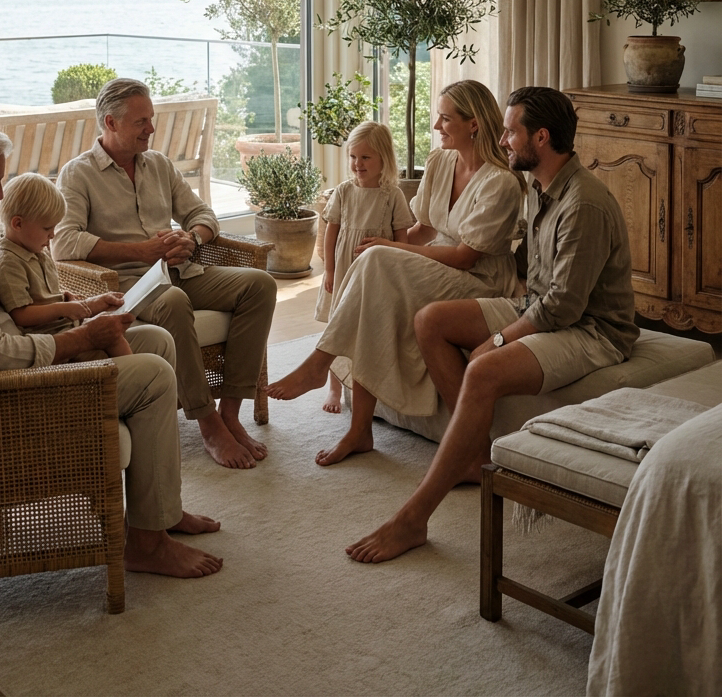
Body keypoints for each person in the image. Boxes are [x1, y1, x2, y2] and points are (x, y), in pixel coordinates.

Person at [0, 119, 223, 580]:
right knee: (155, 377)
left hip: (7, 369)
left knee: (155, 339)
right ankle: (146, 543)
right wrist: (78, 338)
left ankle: (161, 512)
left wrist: (74, 319)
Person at [345, 86, 638, 564]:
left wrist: (496, 341)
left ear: (540, 137)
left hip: (593, 330)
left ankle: (414, 517)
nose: (502, 141)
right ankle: (474, 454)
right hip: (536, 302)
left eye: (509, 131)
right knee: (431, 321)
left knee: (482, 369)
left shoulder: (582, 202)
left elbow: (563, 308)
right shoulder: (544, 187)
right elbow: (537, 287)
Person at [268, 80, 526, 466]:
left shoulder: (501, 182)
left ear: (473, 124)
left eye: (445, 118)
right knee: (378, 284)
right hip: (440, 264)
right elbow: (422, 229)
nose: (436, 125)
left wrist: (390, 249)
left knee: (378, 261)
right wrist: (395, 251)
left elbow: (465, 257)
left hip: (481, 280)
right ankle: (360, 431)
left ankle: (320, 365)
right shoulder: (441, 163)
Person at [52, 77, 277, 470]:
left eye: (150, 119)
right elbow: (64, 242)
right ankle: (207, 422)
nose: (151, 129)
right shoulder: (78, 174)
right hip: (129, 286)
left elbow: (202, 214)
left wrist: (191, 238)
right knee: (173, 301)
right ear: (110, 122)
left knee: (259, 284)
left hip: (182, 272)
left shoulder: (158, 164)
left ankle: (230, 413)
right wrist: (140, 251)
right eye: (141, 122)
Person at [315, 121, 414, 413]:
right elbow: (331, 231)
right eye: (353, 157)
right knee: (337, 326)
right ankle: (334, 388)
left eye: (366, 157)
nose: (357, 164)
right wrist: (329, 270)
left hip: (376, 273)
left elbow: (402, 239)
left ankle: (362, 383)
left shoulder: (392, 195)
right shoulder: (344, 191)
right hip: (345, 267)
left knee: (363, 328)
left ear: (384, 158)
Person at [0, 171, 131, 358]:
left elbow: (42, 295)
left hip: (66, 326)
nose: (53, 235)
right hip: (51, 341)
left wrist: (65, 297)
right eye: (47, 228)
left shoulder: (37, 250)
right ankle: (134, 383)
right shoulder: (7, 263)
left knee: (117, 325)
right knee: (113, 337)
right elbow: (21, 315)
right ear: (18, 224)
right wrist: (63, 309)